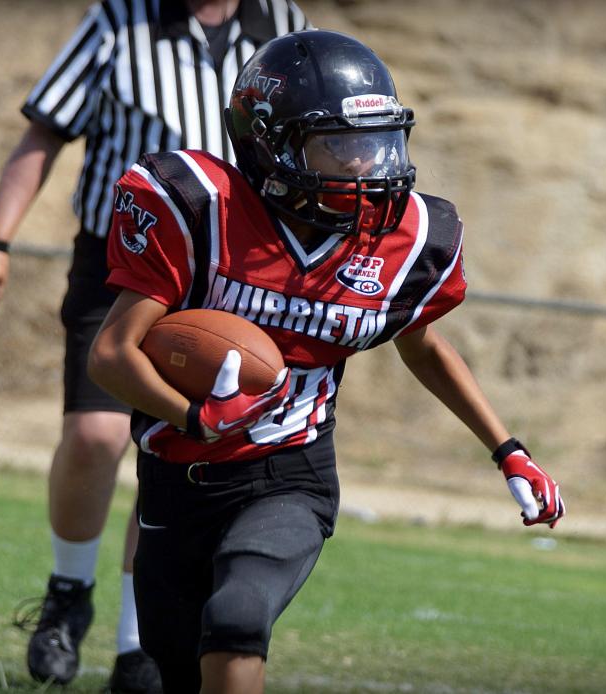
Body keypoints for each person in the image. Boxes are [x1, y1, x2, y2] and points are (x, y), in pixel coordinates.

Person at [88, 28, 566, 694]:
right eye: (339, 144)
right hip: (177, 471)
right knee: (178, 664)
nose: (368, 164)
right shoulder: (201, 208)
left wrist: (508, 449)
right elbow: (111, 355)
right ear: (268, 143)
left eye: (378, 142)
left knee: (236, 617)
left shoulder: (407, 238)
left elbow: (423, 344)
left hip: (290, 473)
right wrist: (195, 415)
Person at [0, 1, 310, 691]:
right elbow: (45, 128)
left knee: (175, 452)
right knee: (95, 435)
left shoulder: (283, 21)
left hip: (225, 275)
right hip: (125, 259)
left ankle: (137, 646)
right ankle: (67, 594)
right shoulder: (120, 18)